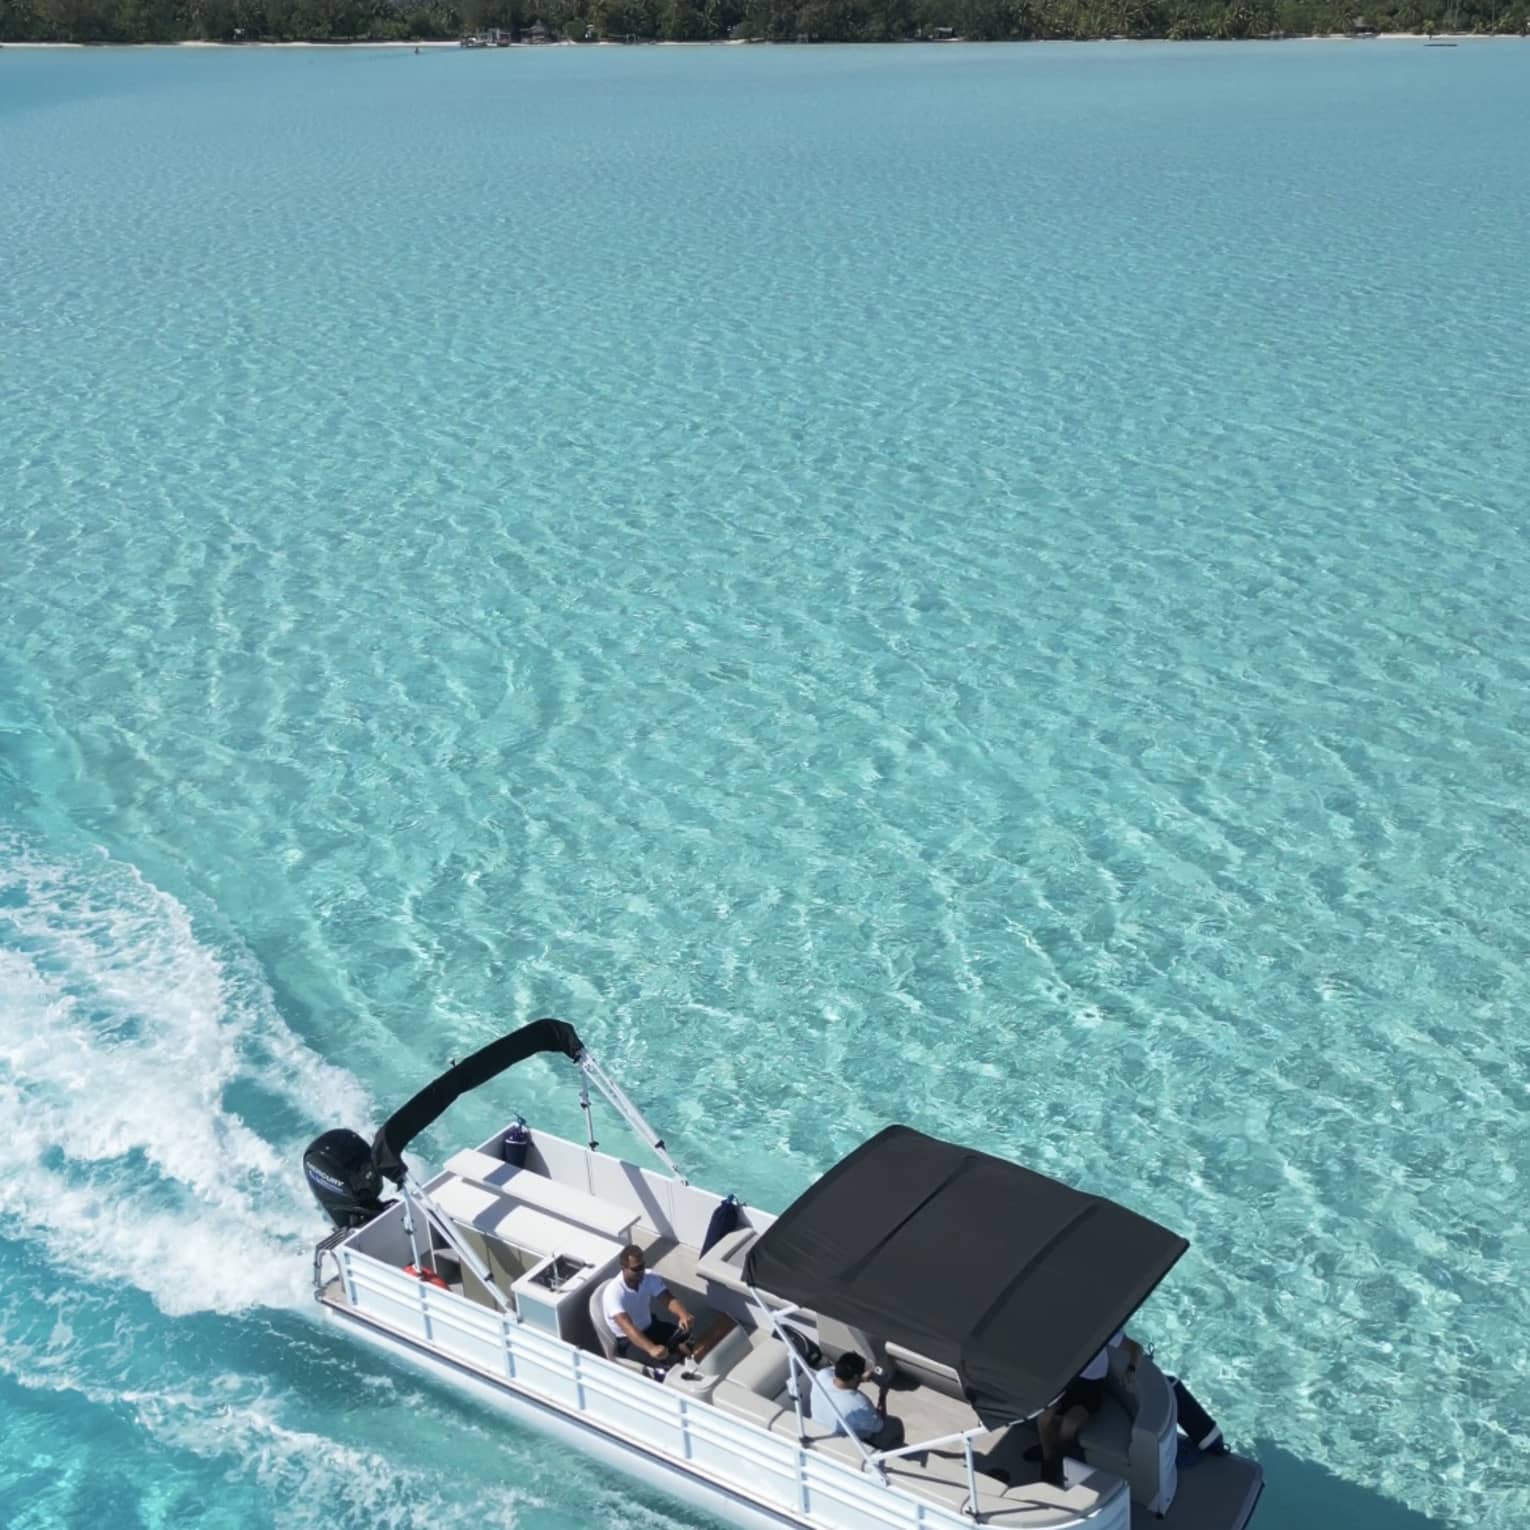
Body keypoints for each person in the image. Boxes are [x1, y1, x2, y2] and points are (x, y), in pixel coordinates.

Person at [1032, 1329, 1143, 1486]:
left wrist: (1131, 1370)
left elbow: (1136, 1348)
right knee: (1042, 1418)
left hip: (1090, 1389)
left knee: (1068, 1425)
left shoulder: (1103, 1329)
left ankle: (1059, 1461)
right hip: (1065, 1385)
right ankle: (1048, 1459)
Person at [601, 1243, 695, 1364]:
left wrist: (683, 1315)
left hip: (651, 1326)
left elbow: (668, 1299)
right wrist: (651, 1348)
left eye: (642, 1266)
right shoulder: (613, 1293)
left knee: (689, 1340)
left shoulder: (649, 1277)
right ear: (623, 1267)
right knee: (662, 1367)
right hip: (629, 1340)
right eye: (636, 1269)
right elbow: (627, 1327)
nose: (641, 1271)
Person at [811, 1351, 904, 1450]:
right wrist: (882, 1395)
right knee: (895, 1425)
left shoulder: (822, 1376)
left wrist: (860, 1378)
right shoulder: (860, 1404)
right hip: (846, 1444)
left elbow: (839, 1372)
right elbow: (880, 1424)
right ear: (855, 1376)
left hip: (819, 1430)